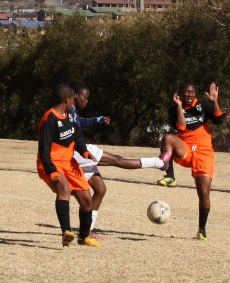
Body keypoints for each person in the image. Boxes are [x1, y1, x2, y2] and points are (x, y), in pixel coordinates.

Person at [68, 81, 166, 238]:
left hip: (78, 152)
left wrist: (98, 119)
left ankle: (88, 230)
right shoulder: (66, 110)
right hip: (78, 152)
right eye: (85, 98)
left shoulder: (72, 111)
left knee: (100, 189)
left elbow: (80, 123)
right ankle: (159, 162)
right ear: (75, 96)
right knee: (118, 160)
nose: (87, 101)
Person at [158, 82, 224, 240]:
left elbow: (219, 120)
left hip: (204, 153)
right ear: (180, 94)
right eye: (186, 92)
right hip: (186, 149)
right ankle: (170, 176)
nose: (189, 95)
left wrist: (214, 101)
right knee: (167, 138)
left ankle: (202, 230)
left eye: (192, 92)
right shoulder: (174, 108)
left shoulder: (202, 106)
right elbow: (181, 128)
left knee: (204, 194)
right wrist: (179, 106)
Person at [38, 83, 98, 247]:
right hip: (51, 162)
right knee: (63, 188)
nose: (74, 101)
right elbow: (43, 150)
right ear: (66, 100)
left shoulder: (70, 115)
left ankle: (84, 237)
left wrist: (84, 151)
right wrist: (51, 170)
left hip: (69, 162)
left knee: (86, 198)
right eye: (72, 98)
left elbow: (77, 136)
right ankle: (66, 232)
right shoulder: (49, 119)